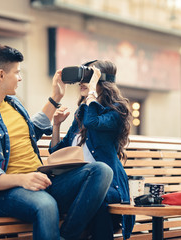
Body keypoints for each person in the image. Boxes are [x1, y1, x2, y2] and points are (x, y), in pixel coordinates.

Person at [0, 44, 113, 240]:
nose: (20, 78)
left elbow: (30, 133)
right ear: (1, 75)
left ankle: (66, 236)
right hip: (7, 194)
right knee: (45, 204)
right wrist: (23, 179)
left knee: (102, 171)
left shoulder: (12, 103)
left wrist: (56, 96)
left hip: (40, 181)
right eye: (17, 73)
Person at [49, 60, 135, 240]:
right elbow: (56, 152)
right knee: (93, 198)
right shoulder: (83, 112)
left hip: (110, 185)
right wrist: (56, 126)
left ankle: (65, 236)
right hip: (79, 181)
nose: (82, 83)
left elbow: (93, 122)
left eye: (88, 78)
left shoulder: (116, 111)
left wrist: (92, 93)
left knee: (99, 197)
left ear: (101, 81)